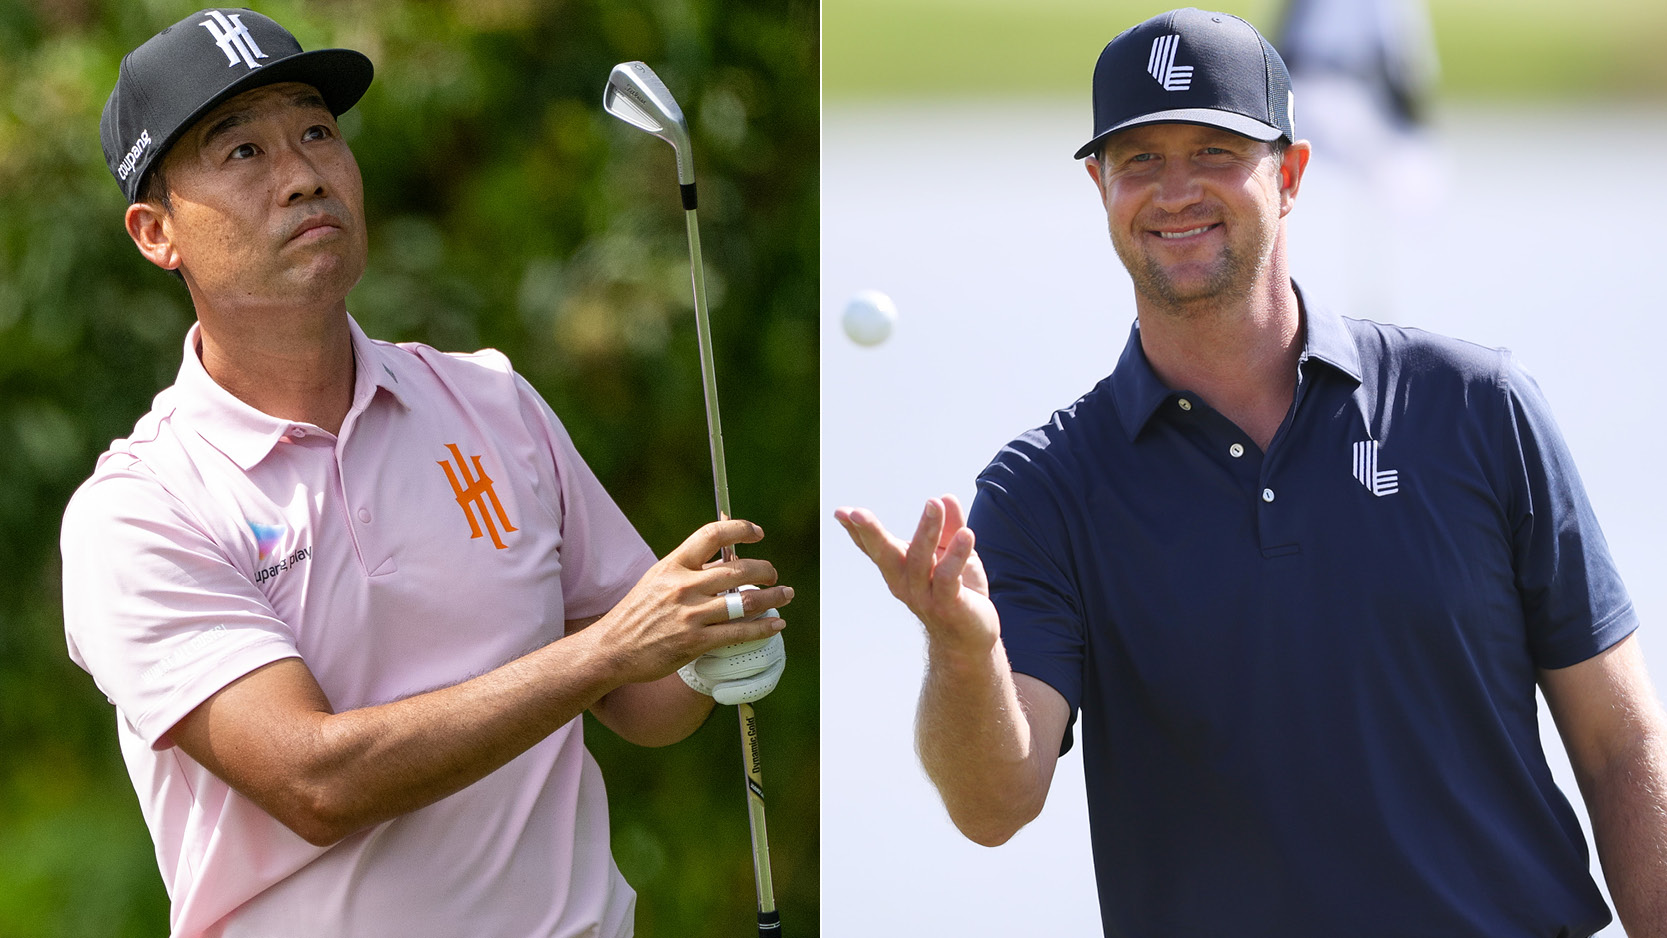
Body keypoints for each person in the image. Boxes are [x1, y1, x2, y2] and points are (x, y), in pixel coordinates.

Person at [836, 8, 1667, 936]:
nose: (1175, 189)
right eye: (1139, 159)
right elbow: (991, 807)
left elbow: (1619, 739)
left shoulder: (1476, 407)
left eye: (1215, 151)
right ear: (1097, 186)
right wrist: (962, 651)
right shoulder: (1043, 492)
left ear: (1292, 174)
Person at [60, 9, 791, 938]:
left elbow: (639, 698)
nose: (303, 176)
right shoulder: (139, 512)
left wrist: (705, 653)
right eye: (242, 152)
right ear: (156, 232)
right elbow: (315, 782)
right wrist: (608, 651)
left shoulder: (492, 403)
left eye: (317, 131)